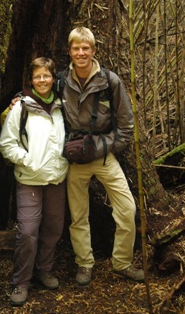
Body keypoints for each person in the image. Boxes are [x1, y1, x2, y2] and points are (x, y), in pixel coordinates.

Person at [61, 26, 144, 285]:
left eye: (86, 48)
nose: (81, 52)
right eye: (76, 48)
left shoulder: (110, 81)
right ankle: (84, 264)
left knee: (127, 208)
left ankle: (122, 262)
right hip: (75, 159)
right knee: (78, 215)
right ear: (70, 51)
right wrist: (19, 100)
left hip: (105, 157)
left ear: (94, 51)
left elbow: (126, 124)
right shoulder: (62, 81)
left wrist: (109, 147)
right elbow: (40, 97)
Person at [0, 57, 69, 306]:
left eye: (46, 75)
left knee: (53, 229)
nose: (42, 80)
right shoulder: (21, 108)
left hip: (56, 178)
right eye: (37, 76)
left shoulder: (62, 106)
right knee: (28, 232)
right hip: (29, 178)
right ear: (31, 80)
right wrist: (27, 160)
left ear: (53, 78)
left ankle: (44, 271)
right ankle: (21, 282)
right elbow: (7, 144)